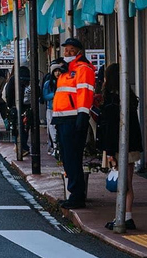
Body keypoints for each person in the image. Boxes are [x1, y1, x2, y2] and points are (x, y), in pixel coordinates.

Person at [97, 63, 143, 230]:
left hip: (117, 146)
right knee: (127, 183)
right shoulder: (128, 98)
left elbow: (110, 129)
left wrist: (109, 153)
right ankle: (126, 216)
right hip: (132, 145)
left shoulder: (111, 100)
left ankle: (121, 217)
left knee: (121, 184)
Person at [52, 37, 96, 210]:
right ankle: (74, 194)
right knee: (67, 158)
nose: (67, 53)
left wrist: (82, 115)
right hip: (63, 118)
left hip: (73, 118)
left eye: (71, 50)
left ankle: (77, 196)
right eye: (66, 50)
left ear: (79, 52)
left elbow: (85, 92)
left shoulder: (83, 69)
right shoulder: (66, 70)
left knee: (73, 158)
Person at [43, 59, 67, 155]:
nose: (57, 73)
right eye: (55, 71)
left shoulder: (64, 81)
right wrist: (55, 94)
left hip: (62, 109)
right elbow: (45, 96)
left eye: (59, 71)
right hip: (51, 108)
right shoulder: (48, 83)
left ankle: (59, 147)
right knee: (52, 128)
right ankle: (55, 147)